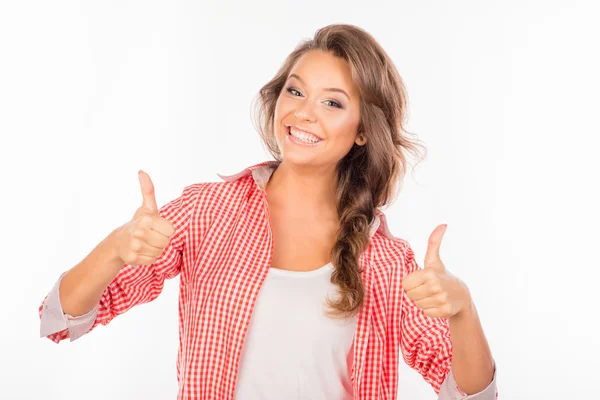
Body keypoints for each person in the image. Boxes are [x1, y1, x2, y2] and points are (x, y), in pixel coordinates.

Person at [39, 24, 498, 399]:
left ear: (362, 131)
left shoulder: (385, 259)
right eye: (296, 92)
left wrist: (463, 311)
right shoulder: (208, 211)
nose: (304, 113)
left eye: (333, 102)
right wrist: (116, 248)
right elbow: (61, 320)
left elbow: (469, 394)